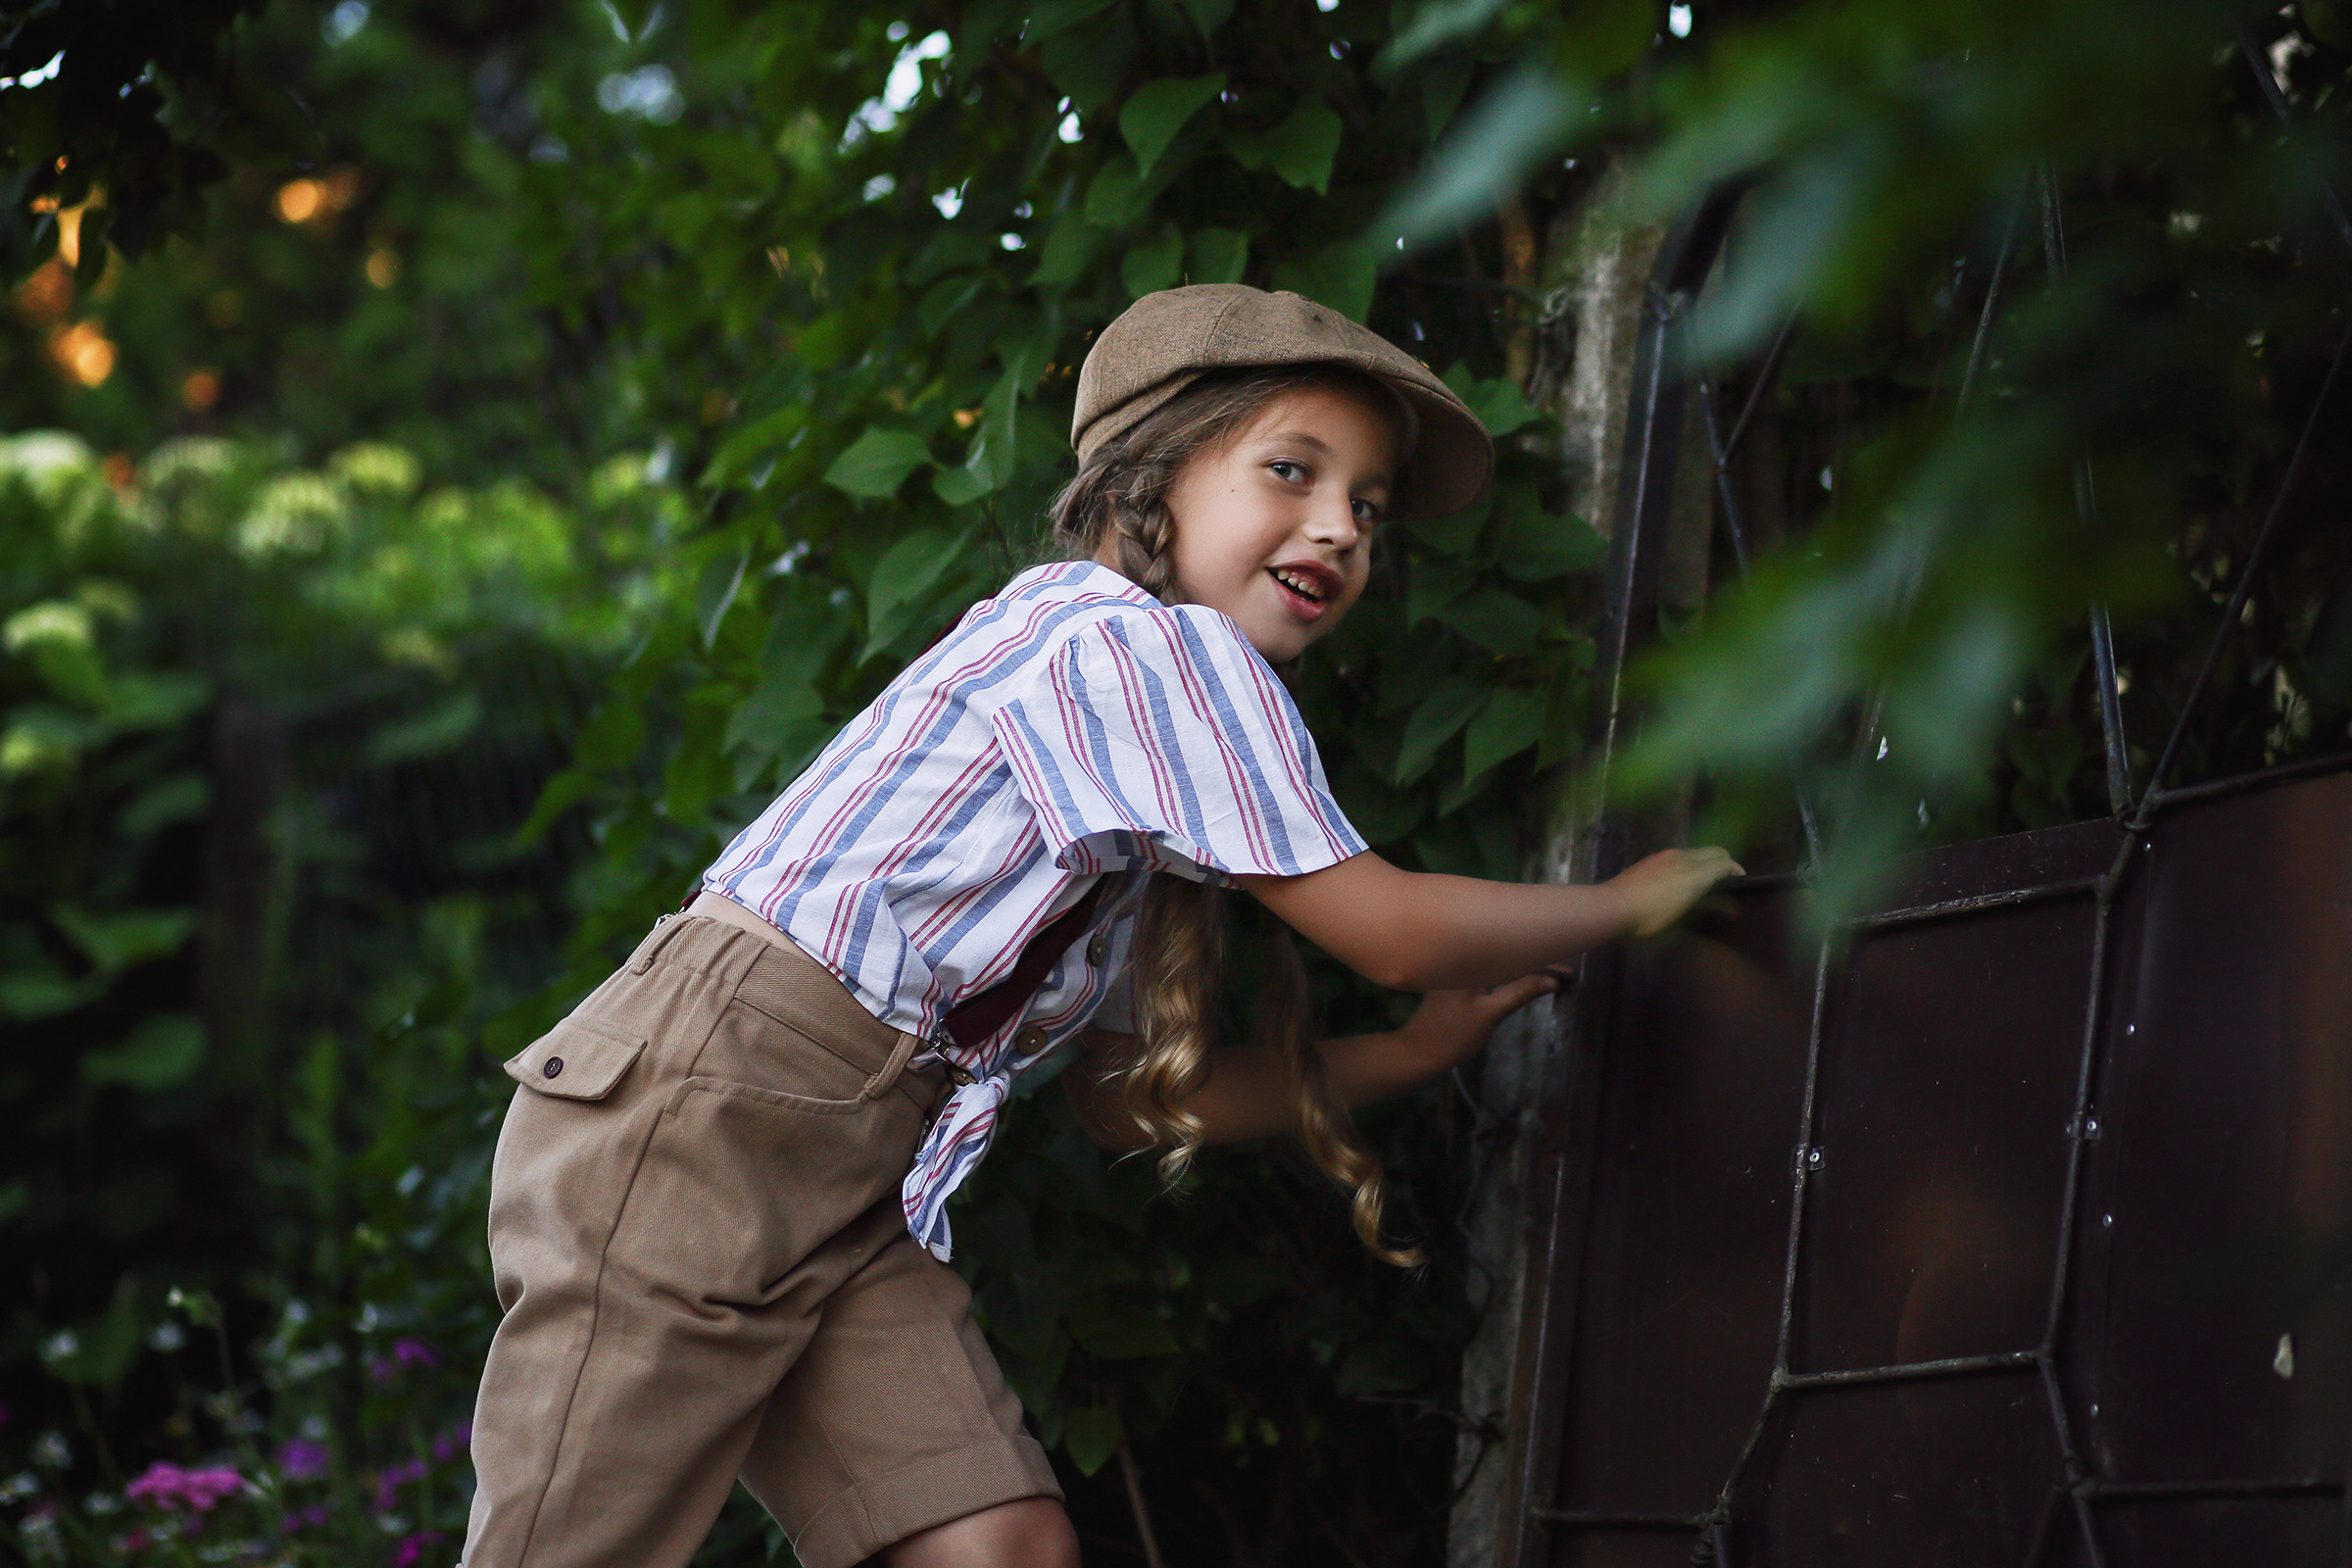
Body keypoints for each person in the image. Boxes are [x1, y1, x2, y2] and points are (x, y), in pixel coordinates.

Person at [459, 284, 1740, 1568]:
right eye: (1292, 470)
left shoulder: (1126, 808)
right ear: (1151, 475)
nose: (1340, 528)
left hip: (840, 1175)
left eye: (1369, 505)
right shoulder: (1129, 649)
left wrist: (1403, 1057)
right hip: (700, 1119)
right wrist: (1628, 902)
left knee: (999, 1545)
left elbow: (1130, 1101)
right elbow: (1393, 929)